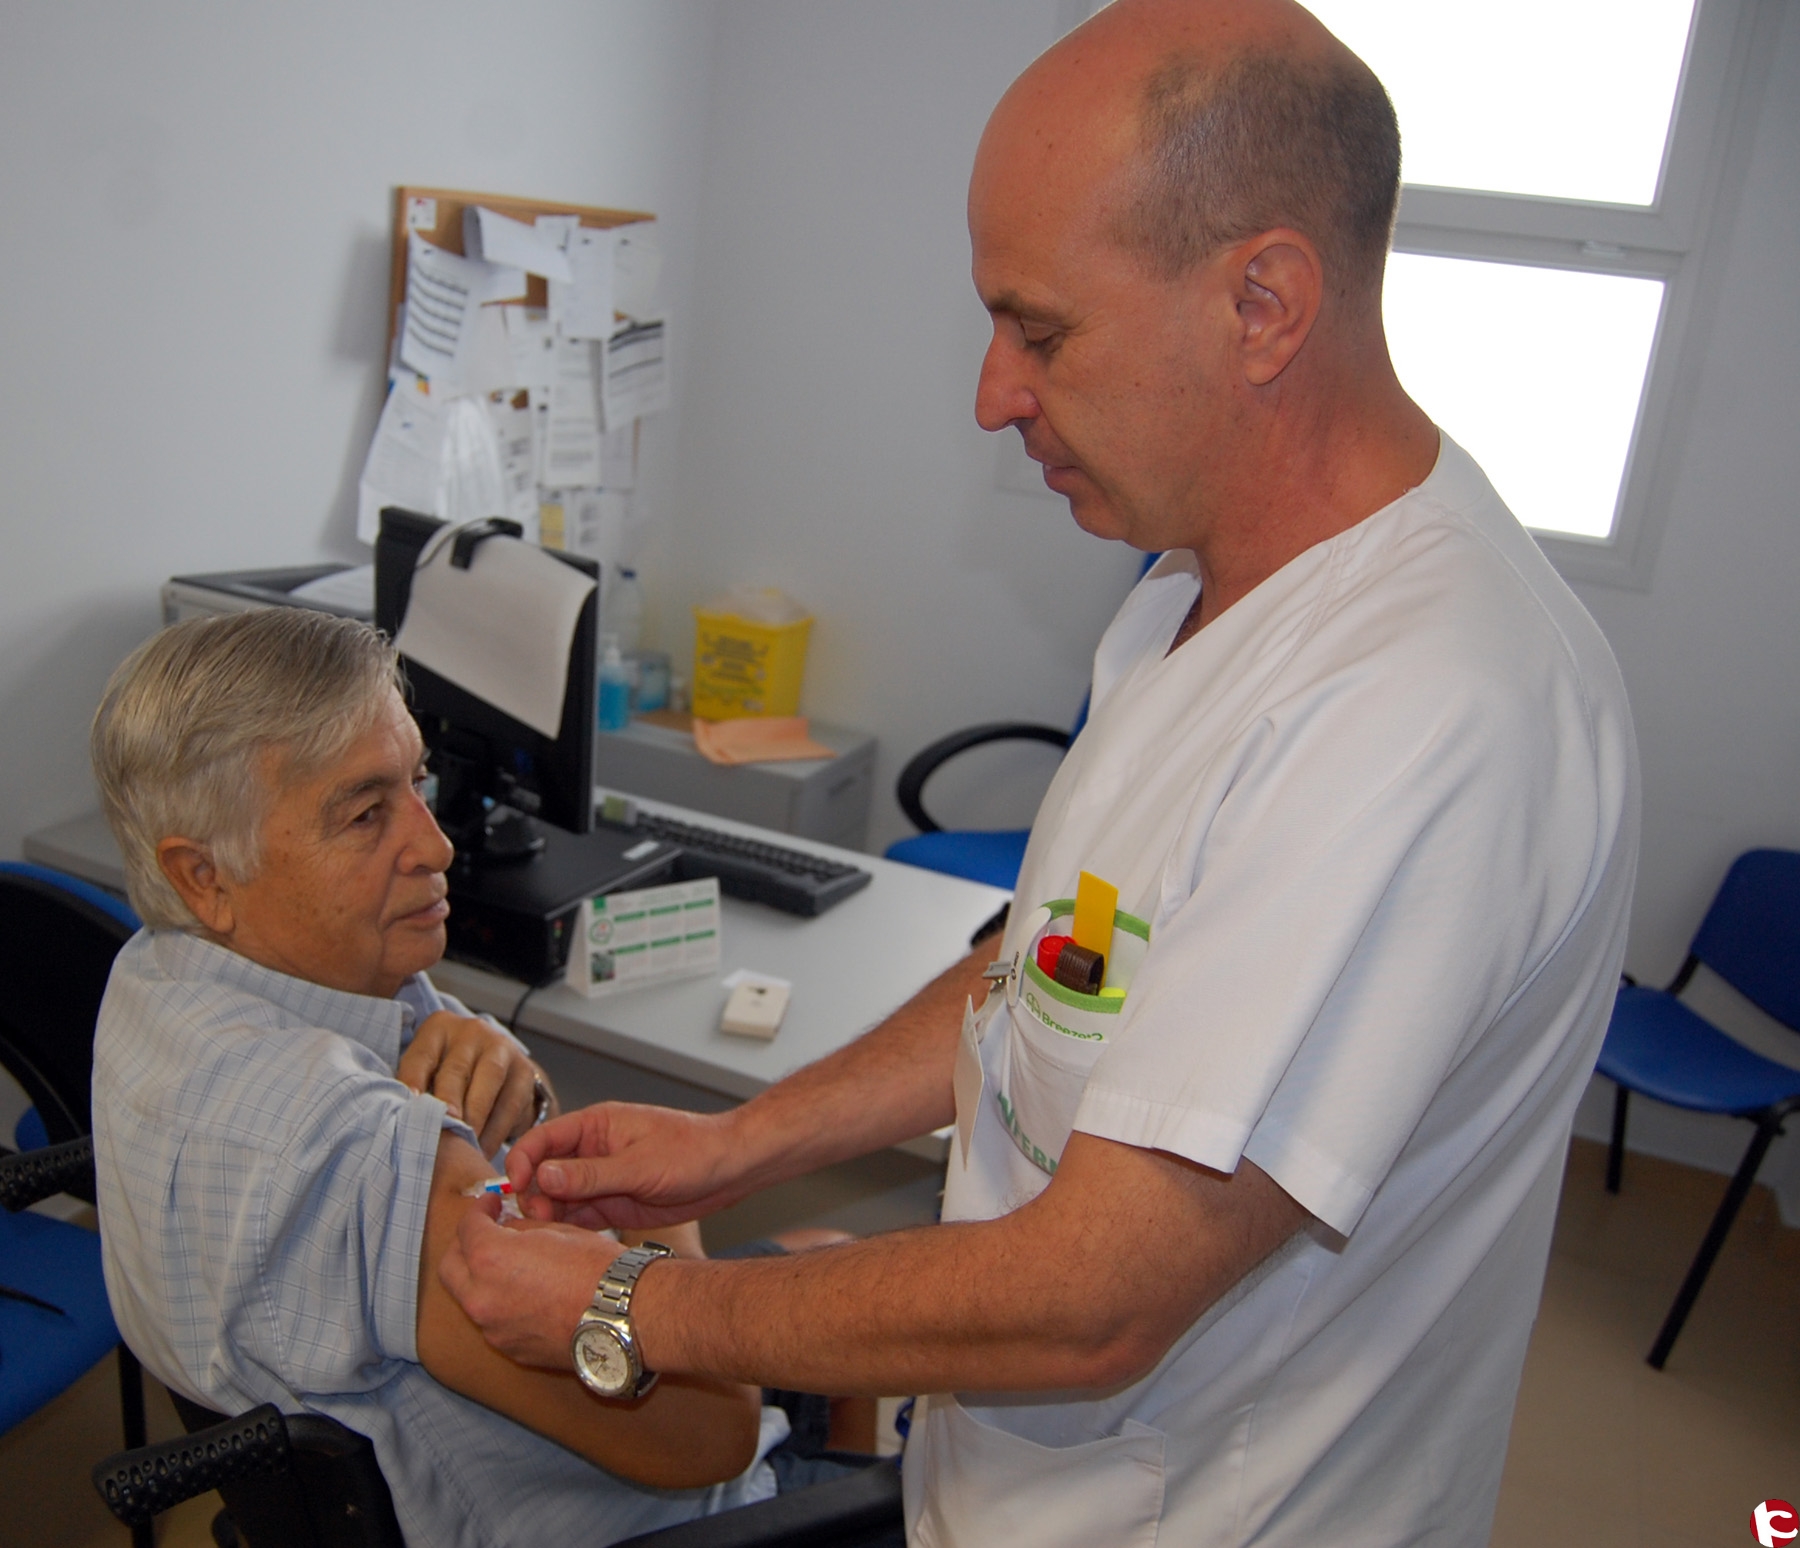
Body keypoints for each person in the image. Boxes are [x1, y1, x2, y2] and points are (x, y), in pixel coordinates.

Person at [441, 1, 1640, 1542]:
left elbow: (1094, 1302)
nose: (994, 393)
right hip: (1013, 1487)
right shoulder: (1187, 589)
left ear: (1264, 304)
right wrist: (738, 1144)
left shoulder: (1425, 709)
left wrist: (634, 1307)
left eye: (1044, 332)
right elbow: (1053, 969)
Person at [87, 607, 850, 1548]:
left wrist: (517, 1082)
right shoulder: (359, 1152)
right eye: (365, 814)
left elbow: (477, 1123)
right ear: (203, 876)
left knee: (826, 1255)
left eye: (418, 782)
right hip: (655, 1518)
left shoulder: (158, 980)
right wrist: (666, 1214)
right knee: (855, 1312)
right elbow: (714, 1433)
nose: (436, 845)